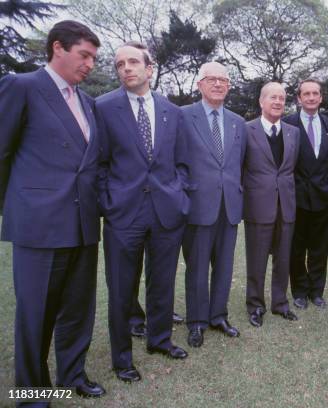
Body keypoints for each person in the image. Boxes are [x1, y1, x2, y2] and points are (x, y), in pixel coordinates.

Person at [0, 20, 105, 400]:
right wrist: (14, 207)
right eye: (85, 55)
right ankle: (32, 391)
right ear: (58, 47)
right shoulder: (23, 86)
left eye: (94, 57)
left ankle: (72, 376)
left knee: (78, 309)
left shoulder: (89, 103)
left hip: (83, 223)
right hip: (39, 224)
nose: (91, 64)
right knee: (36, 315)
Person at [96, 41, 190, 383]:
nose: (126, 68)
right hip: (124, 213)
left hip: (167, 211)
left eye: (133, 62)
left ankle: (160, 340)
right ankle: (122, 358)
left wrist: (180, 194)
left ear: (150, 69)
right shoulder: (103, 108)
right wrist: (109, 201)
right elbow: (99, 162)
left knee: (162, 282)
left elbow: (182, 162)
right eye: (120, 64)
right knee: (121, 288)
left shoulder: (172, 111)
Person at [181, 62, 247, 347]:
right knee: (196, 267)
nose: (218, 84)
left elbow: (239, 162)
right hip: (197, 205)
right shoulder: (183, 116)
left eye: (224, 80)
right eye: (212, 79)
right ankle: (196, 321)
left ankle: (218, 315)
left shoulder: (238, 122)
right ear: (200, 85)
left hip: (229, 205)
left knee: (224, 265)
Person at [282, 78, 328, 310]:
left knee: (319, 249)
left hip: (324, 198)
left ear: (321, 97)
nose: (310, 97)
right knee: (296, 249)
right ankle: (299, 291)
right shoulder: (287, 124)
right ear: (298, 98)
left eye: (315, 93)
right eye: (305, 94)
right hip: (296, 198)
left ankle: (317, 291)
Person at [243, 82, 300, 327]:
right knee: (257, 259)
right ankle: (255, 305)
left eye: (281, 98)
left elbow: (291, 169)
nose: (278, 102)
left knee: (283, 257)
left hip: (286, 205)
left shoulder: (293, 132)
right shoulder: (246, 130)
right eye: (272, 98)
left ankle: (280, 303)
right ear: (261, 101)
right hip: (258, 205)